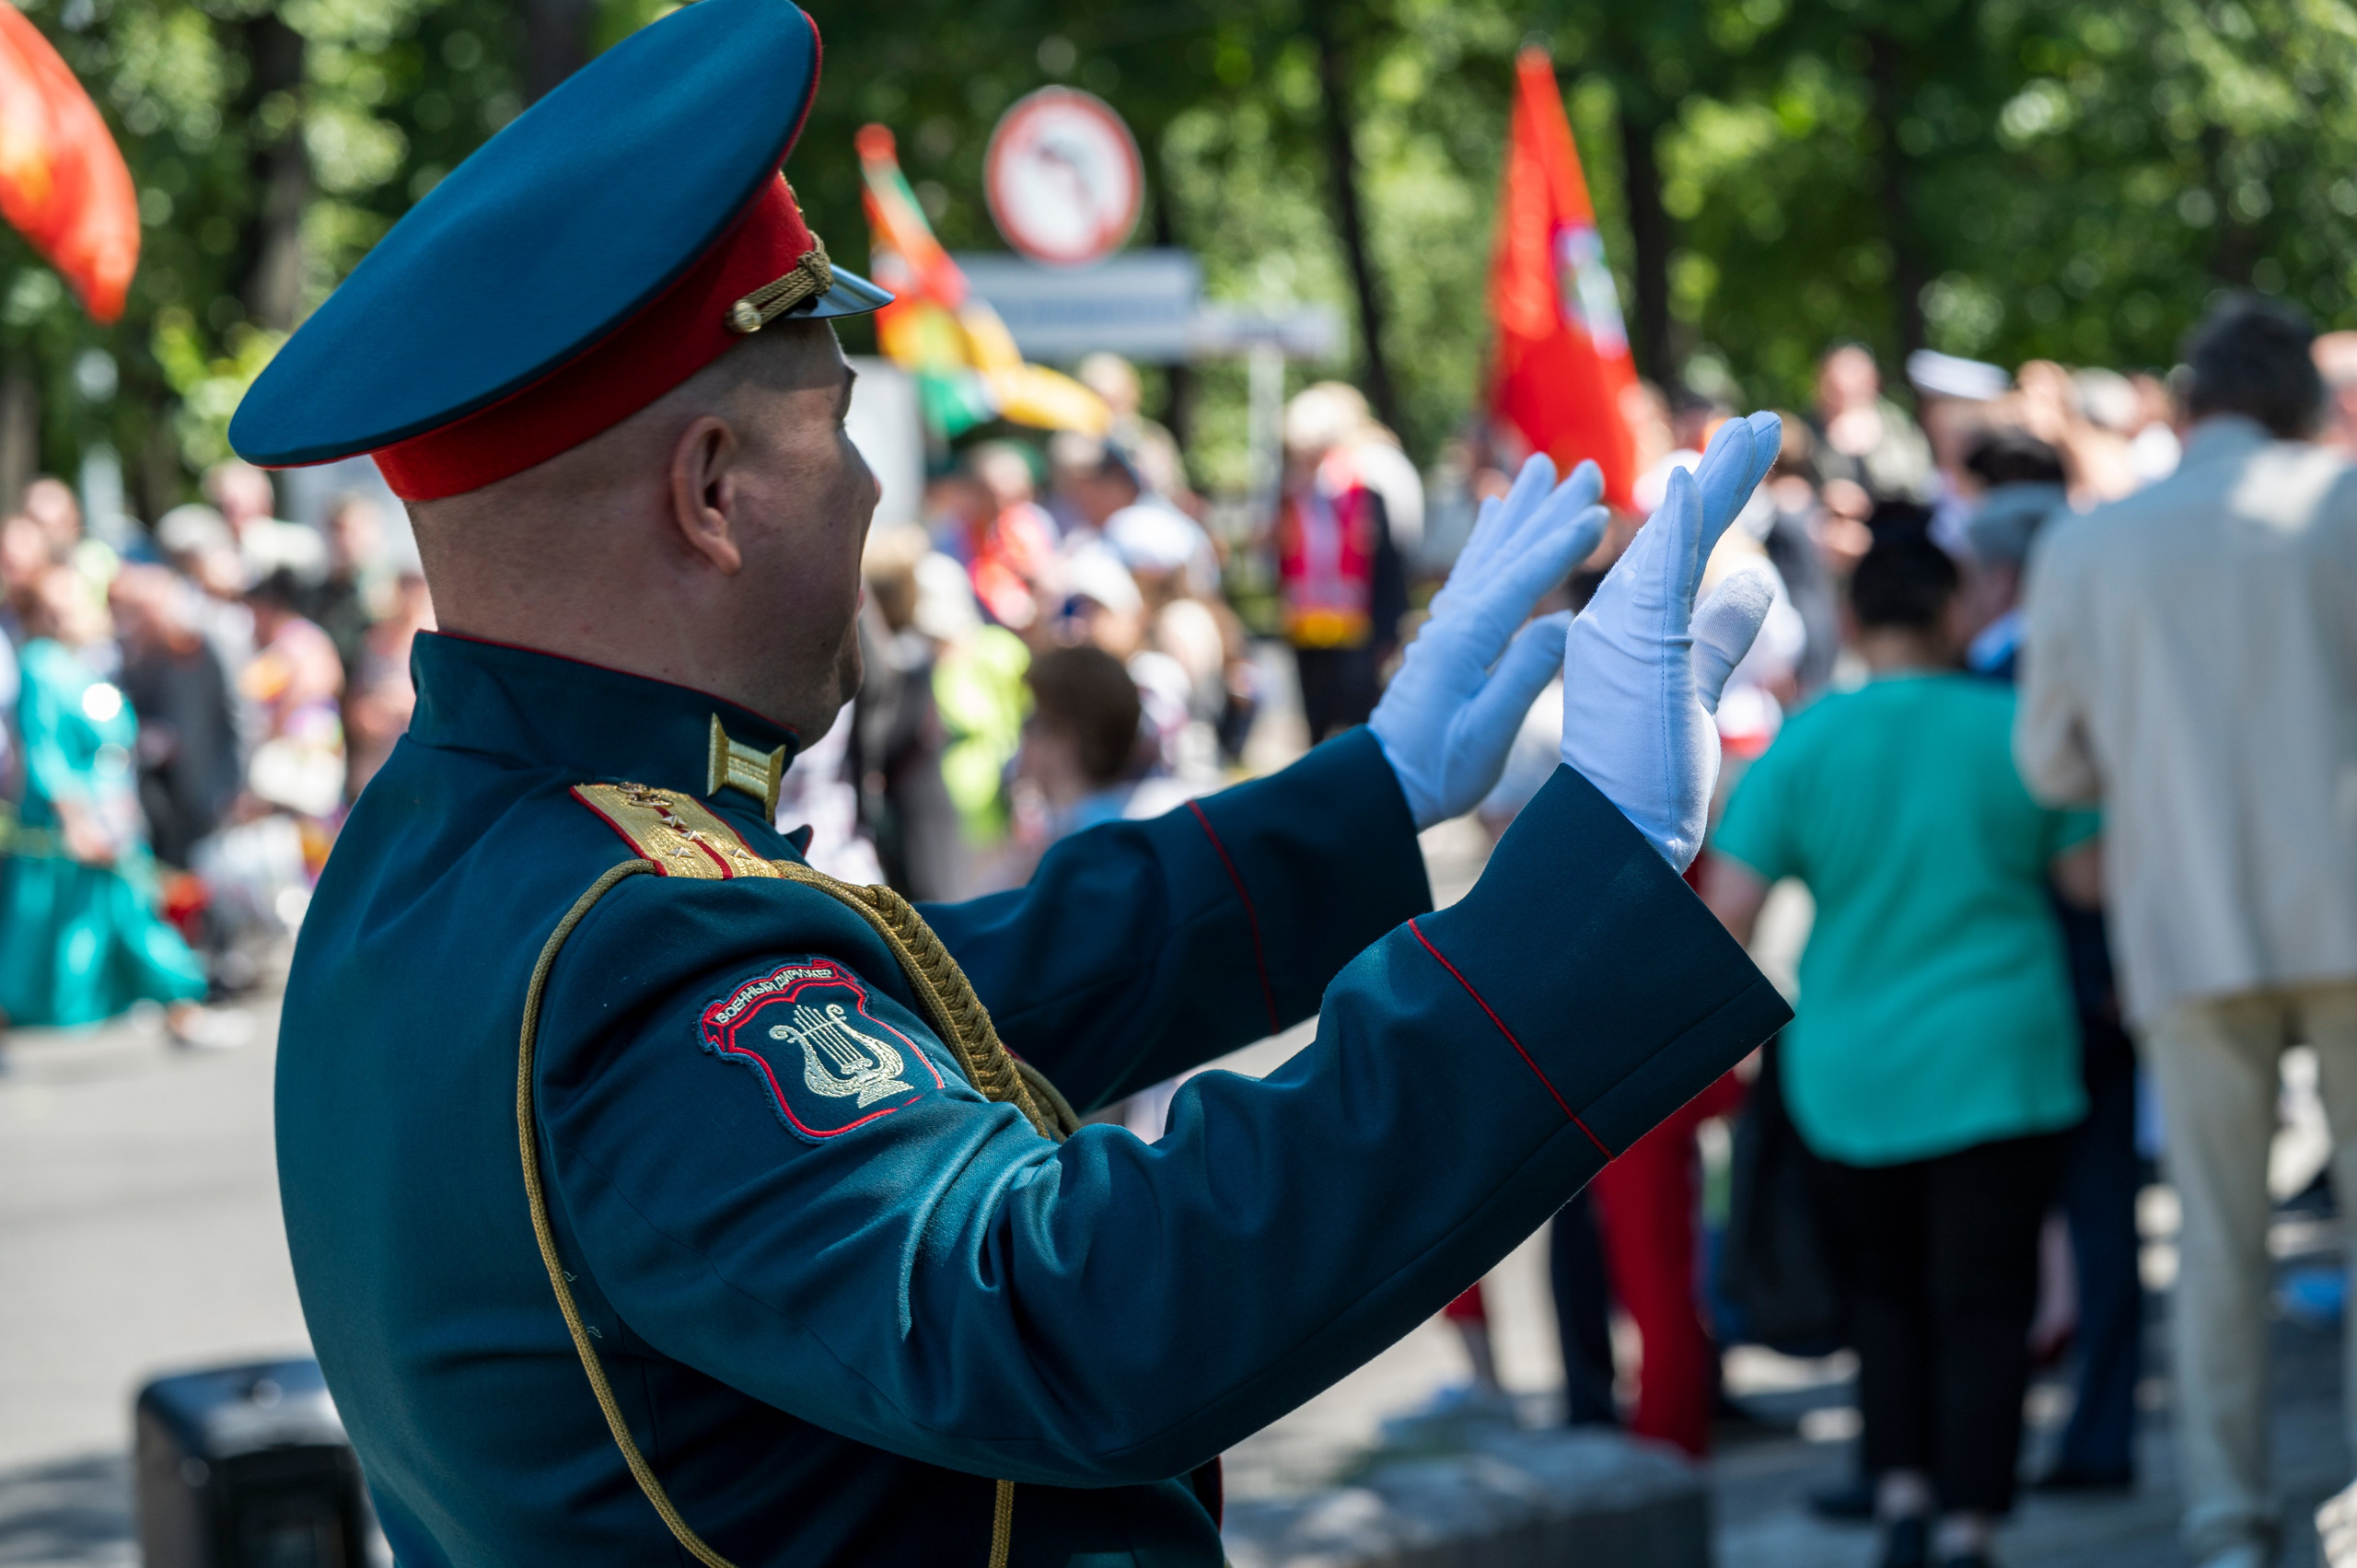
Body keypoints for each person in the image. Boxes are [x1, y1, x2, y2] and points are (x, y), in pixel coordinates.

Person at [230, 6, 1792, 1562]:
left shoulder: (448, 854)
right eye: (838, 426)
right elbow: (1072, 1307)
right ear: (711, 494)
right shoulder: (632, 945)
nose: (867, 491)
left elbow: (953, 991)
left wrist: (1375, 789)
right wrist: (1601, 865)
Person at [2017, 296, 2357, 1568]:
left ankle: (2229, 1519)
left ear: (2191, 396)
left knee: (2217, 1244)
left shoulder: (2094, 547)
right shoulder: (2343, 509)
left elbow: (2050, 766)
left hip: (2187, 921)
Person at [1704, 528, 2099, 1568]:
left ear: (1853, 619)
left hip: (1850, 1067)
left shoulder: (1808, 741)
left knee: (1882, 1294)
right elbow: (2091, 881)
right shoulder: (2015, 728)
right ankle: (1972, 1521)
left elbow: (1724, 914)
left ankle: (1901, 1499)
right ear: (1953, 612)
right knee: (1987, 1297)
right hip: (2004, 1058)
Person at [1953, 470, 2144, 1496]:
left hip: (2027, 983)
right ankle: (2098, 1429)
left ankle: (1986, 1444)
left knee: (2001, 1226)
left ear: (1994, 578)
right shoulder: (2104, 665)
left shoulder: (1990, 686)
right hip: (2093, 977)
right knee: (2102, 1216)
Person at [0, 565, 211, 1036]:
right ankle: (183, 1005)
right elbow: (45, 749)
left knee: (121, 916)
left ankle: (180, 1008)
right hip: (73, 826)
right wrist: (75, 818)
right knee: (39, 936)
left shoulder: (86, 662)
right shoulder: (40, 665)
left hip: (113, 815)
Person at [1275, 383, 1409, 743]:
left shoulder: (1364, 493)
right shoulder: (1290, 499)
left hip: (1357, 633)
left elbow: (1389, 568)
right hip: (1308, 631)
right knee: (1316, 729)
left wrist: (1388, 631)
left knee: (1357, 728)